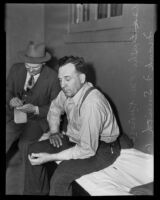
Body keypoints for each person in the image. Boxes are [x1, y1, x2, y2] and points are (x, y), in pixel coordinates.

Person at [23, 56, 121, 195]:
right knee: (33, 150)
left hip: (101, 149)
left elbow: (87, 149)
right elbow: (55, 108)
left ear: (82, 78)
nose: (62, 84)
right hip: (75, 138)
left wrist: (50, 157)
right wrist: (54, 131)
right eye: (60, 80)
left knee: (60, 176)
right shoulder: (68, 92)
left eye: (68, 79)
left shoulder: (92, 104)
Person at [6, 41, 61, 162]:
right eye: (27, 66)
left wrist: (35, 109)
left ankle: (30, 178)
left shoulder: (53, 78)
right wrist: (11, 100)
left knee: (25, 145)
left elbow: (56, 107)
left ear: (43, 63)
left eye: (35, 68)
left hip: (37, 120)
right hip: (15, 115)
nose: (30, 70)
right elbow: (8, 90)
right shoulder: (15, 69)